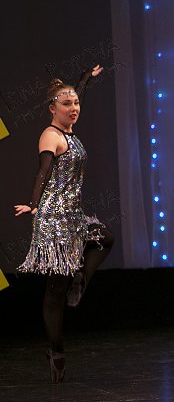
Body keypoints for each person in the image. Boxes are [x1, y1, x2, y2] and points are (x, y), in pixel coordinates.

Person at [14, 65, 115, 383]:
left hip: (73, 215)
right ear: (52, 109)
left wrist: (85, 79)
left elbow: (75, 94)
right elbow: (43, 170)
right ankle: (56, 352)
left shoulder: (69, 129)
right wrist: (33, 203)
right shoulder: (51, 135)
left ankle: (79, 279)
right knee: (55, 291)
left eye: (76, 103)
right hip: (53, 219)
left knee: (104, 238)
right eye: (67, 104)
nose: (74, 108)